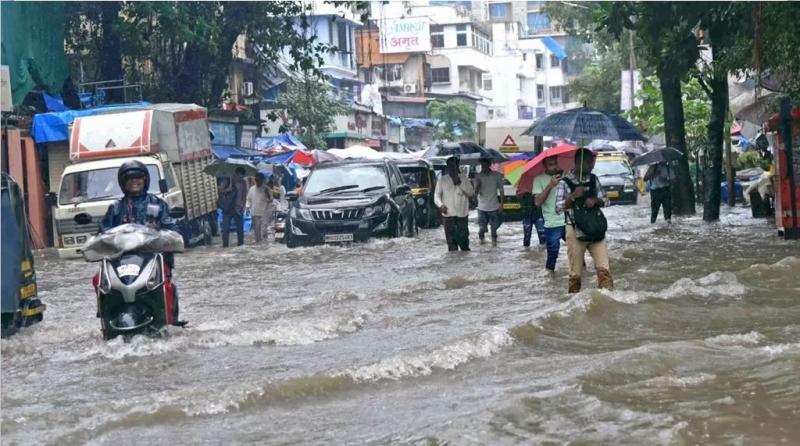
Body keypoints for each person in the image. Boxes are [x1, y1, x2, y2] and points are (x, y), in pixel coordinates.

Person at [100, 160, 185, 325]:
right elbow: (104, 231)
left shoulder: (157, 204)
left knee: (167, 285)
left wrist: (161, 232)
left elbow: (172, 228)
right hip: (121, 261)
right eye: (130, 178)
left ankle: (171, 320)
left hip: (152, 259)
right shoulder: (115, 208)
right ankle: (105, 318)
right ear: (123, 182)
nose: (135, 181)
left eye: (138, 177)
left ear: (145, 179)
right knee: (99, 280)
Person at [555, 148, 613, 293]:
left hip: (595, 229)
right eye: (588, 162)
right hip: (575, 230)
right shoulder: (564, 182)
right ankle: (573, 301)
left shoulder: (594, 179)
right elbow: (558, 208)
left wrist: (595, 201)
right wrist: (573, 196)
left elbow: (607, 201)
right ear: (578, 163)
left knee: (604, 270)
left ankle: (607, 299)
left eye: (592, 162)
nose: (592, 166)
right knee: (575, 274)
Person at [532, 156, 566, 272]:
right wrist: (550, 185)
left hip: (569, 221)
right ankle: (550, 277)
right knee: (552, 255)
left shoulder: (565, 177)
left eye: (555, 163)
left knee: (577, 252)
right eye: (551, 164)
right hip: (552, 223)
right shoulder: (538, 179)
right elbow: (537, 202)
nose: (554, 166)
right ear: (545, 166)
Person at [434, 156, 474, 252]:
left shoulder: (464, 178)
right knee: (451, 245)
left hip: (462, 215)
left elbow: (471, 193)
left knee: (464, 244)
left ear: (457, 167)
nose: (452, 169)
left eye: (454, 166)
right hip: (448, 216)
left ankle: (464, 260)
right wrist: (441, 205)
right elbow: (436, 196)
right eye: (450, 166)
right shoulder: (442, 180)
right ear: (447, 167)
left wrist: (460, 183)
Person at [474, 157, 505, 245]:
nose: (483, 167)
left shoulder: (496, 175)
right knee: (482, 228)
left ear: (489, 165)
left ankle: (494, 244)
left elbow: (501, 190)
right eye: (482, 165)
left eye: (485, 165)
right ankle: (482, 241)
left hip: (494, 207)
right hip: (482, 207)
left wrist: (501, 204)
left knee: (494, 229)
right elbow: (475, 193)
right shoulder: (478, 176)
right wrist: (477, 185)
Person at [218, 167, 248, 247]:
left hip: (238, 209)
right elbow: (219, 190)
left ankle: (240, 246)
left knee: (240, 229)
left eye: (242, 177)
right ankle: (225, 247)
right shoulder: (227, 180)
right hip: (227, 208)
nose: (240, 178)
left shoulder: (243, 183)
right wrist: (227, 189)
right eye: (239, 177)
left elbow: (244, 196)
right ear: (236, 174)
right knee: (226, 229)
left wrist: (243, 207)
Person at [246, 173, 274, 243]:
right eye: (257, 180)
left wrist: (267, 194)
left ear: (263, 180)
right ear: (255, 180)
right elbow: (248, 199)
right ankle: (258, 244)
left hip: (265, 213)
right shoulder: (251, 189)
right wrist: (247, 208)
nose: (258, 181)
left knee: (264, 230)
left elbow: (271, 200)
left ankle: (264, 245)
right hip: (255, 213)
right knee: (257, 232)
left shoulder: (267, 189)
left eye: (259, 180)